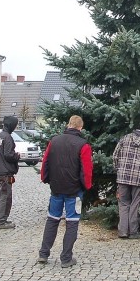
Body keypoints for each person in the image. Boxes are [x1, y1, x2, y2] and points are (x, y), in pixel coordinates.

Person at [37, 115, 93, 268]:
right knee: (72, 223)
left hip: (56, 188)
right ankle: (66, 258)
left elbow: (45, 162)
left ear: (68, 125)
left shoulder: (54, 141)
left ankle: (43, 253)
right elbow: (86, 170)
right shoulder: (84, 145)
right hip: (74, 191)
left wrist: (46, 179)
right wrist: (86, 186)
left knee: (52, 220)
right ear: (81, 128)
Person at [0, 116, 20, 229]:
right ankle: (1, 222)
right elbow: (8, 154)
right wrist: (17, 156)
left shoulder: (0, 136)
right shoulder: (7, 137)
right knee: (5, 197)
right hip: (5, 172)